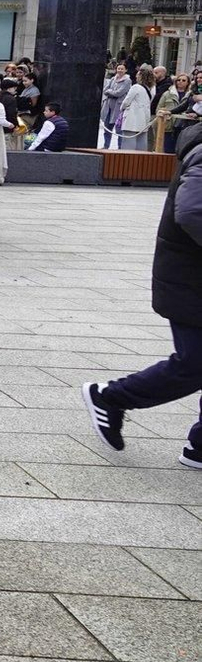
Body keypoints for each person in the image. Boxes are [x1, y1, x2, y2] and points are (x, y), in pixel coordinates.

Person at [83, 127, 202, 468]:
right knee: (194, 362)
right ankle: (111, 397)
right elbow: (192, 211)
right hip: (191, 278)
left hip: (189, 274)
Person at [118, 66, 156, 152]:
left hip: (132, 118)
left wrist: (122, 108)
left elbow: (126, 102)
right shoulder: (152, 89)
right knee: (141, 142)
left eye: (138, 75)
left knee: (128, 143)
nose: (136, 76)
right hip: (144, 118)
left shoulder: (136, 87)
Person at [100, 63, 132, 149]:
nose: (120, 70)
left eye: (122, 69)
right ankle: (106, 146)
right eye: (118, 68)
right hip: (108, 108)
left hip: (118, 109)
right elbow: (105, 90)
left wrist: (110, 92)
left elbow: (119, 93)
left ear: (125, 70)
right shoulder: (112, 79)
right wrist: (111, 92)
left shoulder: (127, 81)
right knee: (107, 129)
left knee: (119, 130)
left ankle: (120, 147)